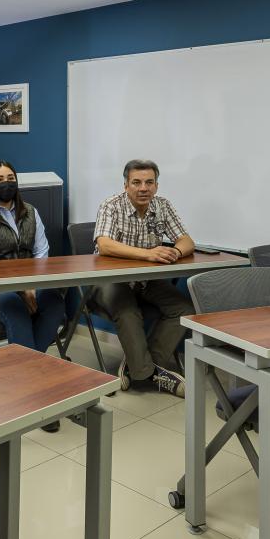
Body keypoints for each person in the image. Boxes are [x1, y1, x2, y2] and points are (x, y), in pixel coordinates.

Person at [0, 160, 68, 432]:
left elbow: (42, 252)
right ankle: (41, 396)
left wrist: (32, 286)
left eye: (11, 177)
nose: (7, 183)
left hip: (33, 283)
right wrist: (22, 289)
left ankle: (27, 377)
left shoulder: (31, 212)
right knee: (15, 309)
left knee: (56, 302)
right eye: (0, 179)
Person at [92, 159, 196, 397]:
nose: (143, 188)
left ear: (156, 186)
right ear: (126, 185)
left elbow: (187, 240)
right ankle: (148, 374)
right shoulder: (111, 205)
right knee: (128, 312)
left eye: (149, 182)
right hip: (111, 280)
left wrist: (176, 252)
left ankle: (140, 367)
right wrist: (148, 254)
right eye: (136, 182)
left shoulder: (162, 205)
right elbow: (105, 245)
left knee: (184, 308)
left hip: (147, 280)